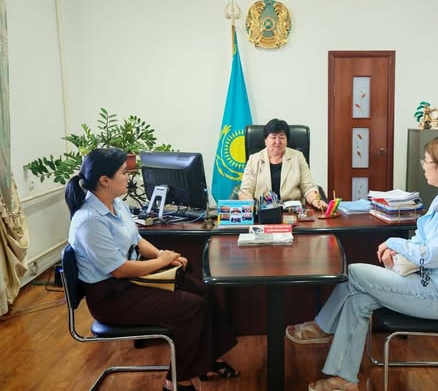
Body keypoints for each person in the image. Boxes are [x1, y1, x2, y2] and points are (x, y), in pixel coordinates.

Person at [285, 135, 438, 391]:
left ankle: (323, 326)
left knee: (354, 273)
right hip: (424, 281)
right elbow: (422, 238)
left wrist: (394, 242)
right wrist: (399, 252)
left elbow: (433, 255)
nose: (423, 166)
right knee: (359, 300)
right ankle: (345, 380)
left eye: (426, 161)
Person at [65, 148, 239, 391]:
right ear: (104, 181)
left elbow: (137, 240)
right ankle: (177, 382)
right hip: (112, 297)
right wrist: (162, 261)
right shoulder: (89, 221)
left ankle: (208, 359)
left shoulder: (117, 205)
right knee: (192, 308)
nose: (129, 177)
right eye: (124, 173)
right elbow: (119, 270)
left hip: (132, 282)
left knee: (204, 291)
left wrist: (161, 256)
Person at [238, 118, 328, 210]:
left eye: (281, 137)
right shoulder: (254, 160)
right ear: (265, 140)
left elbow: (308, 187)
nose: (277, 142)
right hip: (263, 211)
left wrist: (315, 200)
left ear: (287, 140)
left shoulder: (298, 157)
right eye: (273, 137)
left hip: (292, 211)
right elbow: (246, 190)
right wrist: (250, 207)